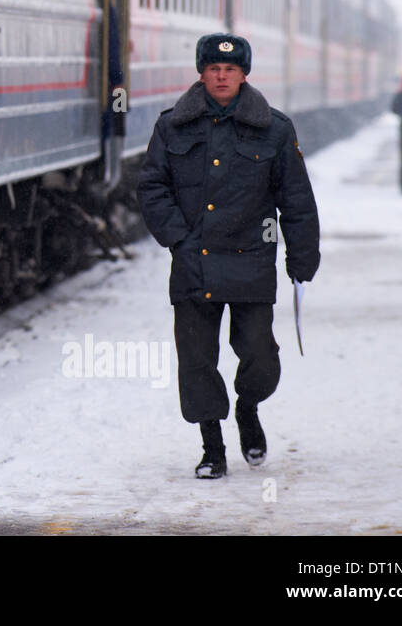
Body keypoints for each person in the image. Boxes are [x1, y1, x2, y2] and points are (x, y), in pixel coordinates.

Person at [137, 33, 320, 479]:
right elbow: (151, 187)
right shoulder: (172, 126)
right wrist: (178, 238)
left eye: (231, 69)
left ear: (244, 74)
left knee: (260, 355)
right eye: (214, 69)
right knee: (197, 361)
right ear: (201, 73)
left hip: (251, 261)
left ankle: (248, 408)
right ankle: (212, 448)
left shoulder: (275, 129)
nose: (222, 76)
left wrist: (303, 255)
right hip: (194, 261)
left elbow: (295, 197)